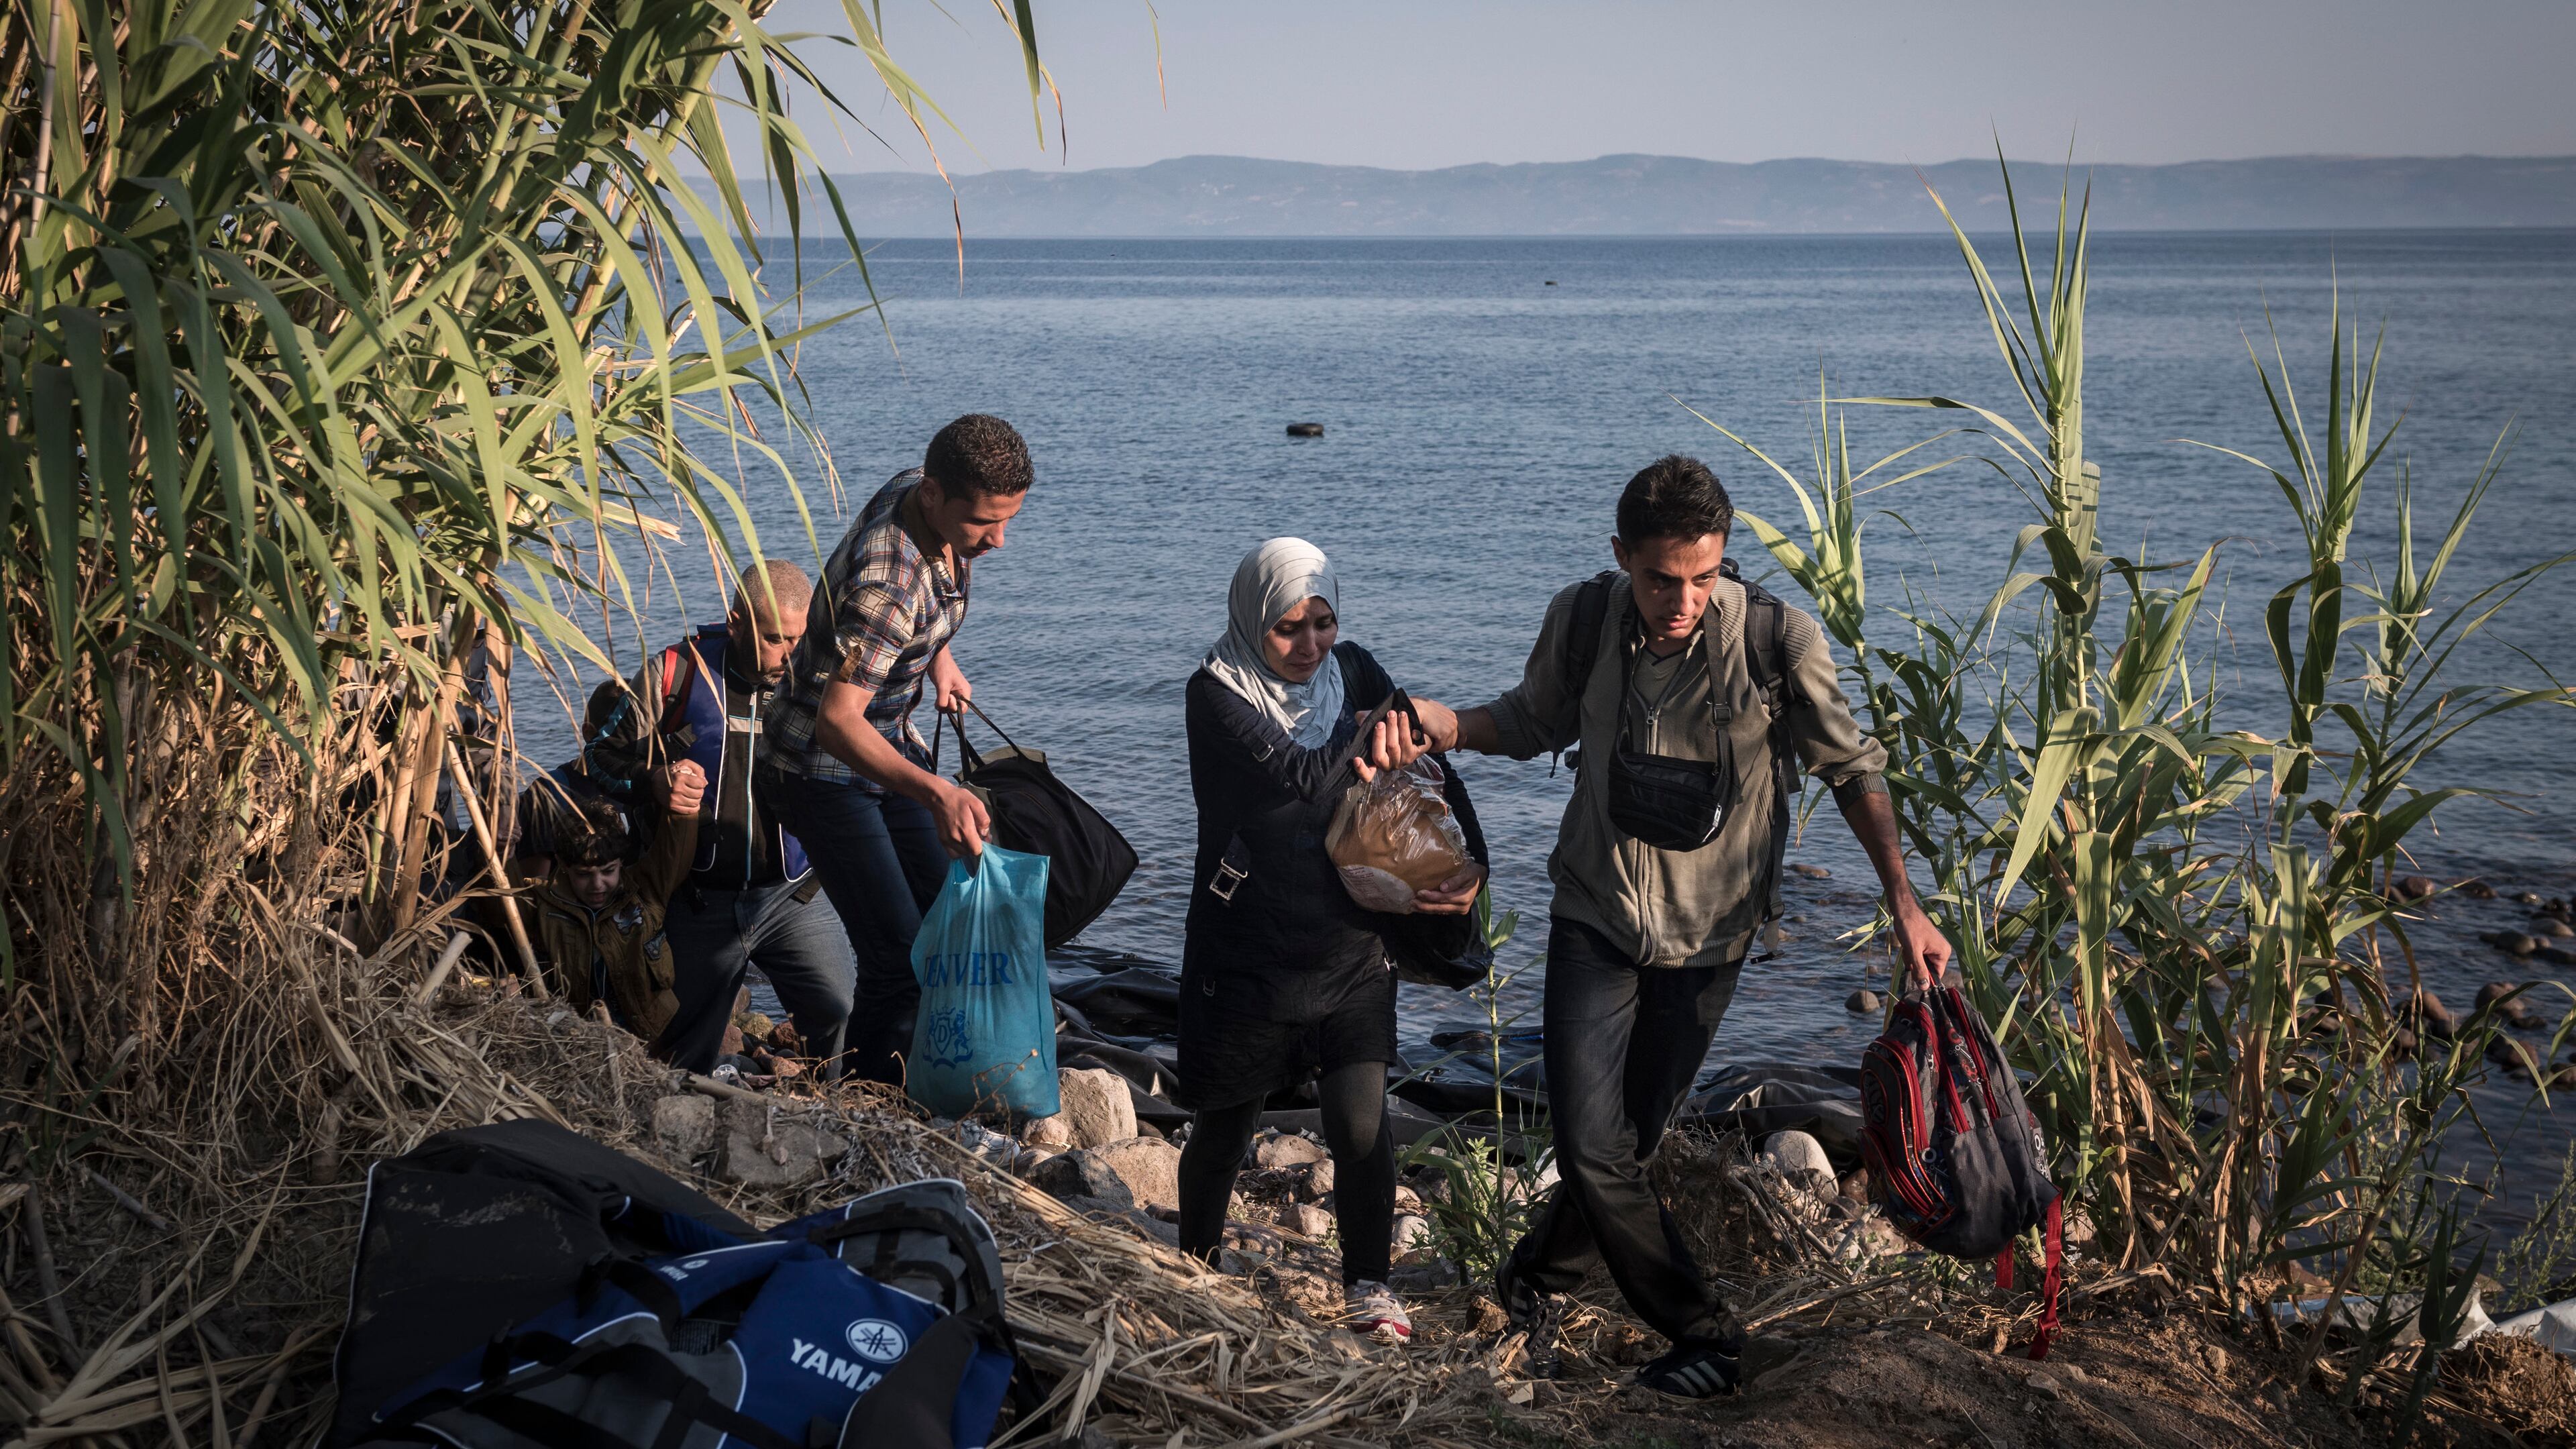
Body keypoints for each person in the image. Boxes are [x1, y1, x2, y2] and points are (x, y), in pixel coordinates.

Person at [1413, 455, 1951, 1398]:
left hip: (1713, 934)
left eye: (1704, 576)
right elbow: (1533, 719)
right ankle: (1703, 1332)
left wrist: (1904, 902)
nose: (1684, 599)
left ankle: (1533, 1282)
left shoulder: (1778, 640)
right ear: (1622, 556)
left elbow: (1852, 768)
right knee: (1587, 1140)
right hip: (1597, 910)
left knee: (1632, 1139)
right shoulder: (1583, 619)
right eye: (1663, 578)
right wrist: (1445, 724)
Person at [1175, 538, 1486, 1346]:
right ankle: (1196, 1271)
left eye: (1323, 622)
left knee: (1358, 1124)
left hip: (1350, 944)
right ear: (1252, 622)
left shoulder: (1358, 670)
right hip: (1249, 947)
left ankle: (1369, 1286)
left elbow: (1435, 776)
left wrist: (1467, 871)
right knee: (1223, 1125)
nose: (1310, 645)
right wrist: (1376, 727)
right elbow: (1299, 777)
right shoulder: (1213, 694)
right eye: (1288, 629)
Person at [757, 414, 1033, 1085]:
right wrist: (937, 790)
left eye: (1009, 520)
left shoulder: (915, 487)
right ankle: (865, 1106)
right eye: (982, 525)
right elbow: (836, 722)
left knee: (948, 922)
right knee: (902, 955)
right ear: (936, 496)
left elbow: (912, 622)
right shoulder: (890, 582)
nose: (997, 540)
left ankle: (926, 1080)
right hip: (817, 768)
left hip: (887, 747)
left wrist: (938, 659)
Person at [622, 559, 861, 1076]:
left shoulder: (821, 682)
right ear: (735, 623)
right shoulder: (675, 674)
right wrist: (653, 782)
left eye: (798, 639)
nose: (789, 655)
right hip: (699, 900)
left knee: (844, 1011)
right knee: (677, 1047)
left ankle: (835, 1116)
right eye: (775, 639)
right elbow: (598, 758)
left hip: (792, 894)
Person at [528, 766, 705, 1038]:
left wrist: (684, 805)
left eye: (608, 871)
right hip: (576, 1039)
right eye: (584, 875)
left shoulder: (645, 892)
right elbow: (496, 905)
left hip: (647, 1036)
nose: (598, 885)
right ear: (563, 866)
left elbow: (675, 852)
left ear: (621, 864)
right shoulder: (543, 903)